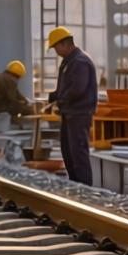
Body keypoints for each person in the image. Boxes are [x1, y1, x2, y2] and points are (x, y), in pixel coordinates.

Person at [46, 27, 99, 185]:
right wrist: (52, 97)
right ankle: (76, 185)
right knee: (68, 152)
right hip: (69, 113)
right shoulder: (69, 61)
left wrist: (59, 101)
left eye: (56, 48)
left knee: (78, 153)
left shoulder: (80, 61)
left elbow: (78, 89)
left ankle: (85, 190)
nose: (56, 52)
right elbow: (67, 88)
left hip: (79, 114)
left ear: (64, 44)